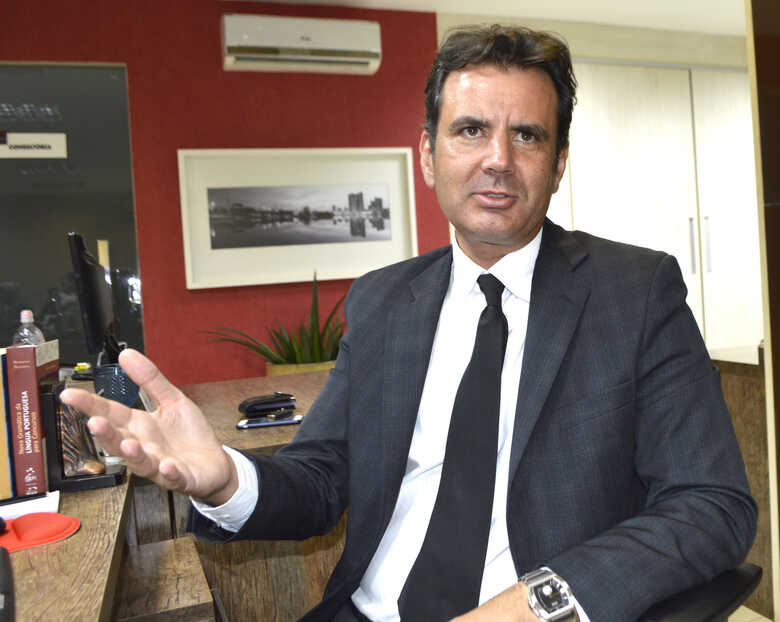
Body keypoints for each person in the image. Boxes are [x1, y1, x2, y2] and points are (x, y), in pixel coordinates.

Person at [61, 24, 756, 622]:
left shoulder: (634, 293)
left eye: (527, 135)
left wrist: (536, 603)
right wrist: (223, 479)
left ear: (558, 164)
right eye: (471, 130)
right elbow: (321, 477)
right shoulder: (383, 302)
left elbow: (712, 505)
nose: (498, 159)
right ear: (428, 155)